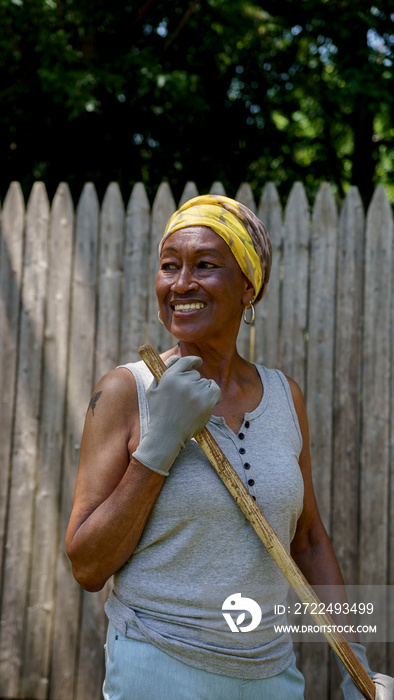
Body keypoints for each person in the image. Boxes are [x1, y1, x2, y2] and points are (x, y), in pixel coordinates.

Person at [66, 194, 393, 700]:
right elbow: (86, 566)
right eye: (169, 266)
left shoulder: (286, 397)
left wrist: (357, 664)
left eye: (205, 266)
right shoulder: (125, 392)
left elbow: (307, 540)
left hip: (272, 676)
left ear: (248, 287)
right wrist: (160, 443)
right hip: (159, 667)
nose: (181, 284)